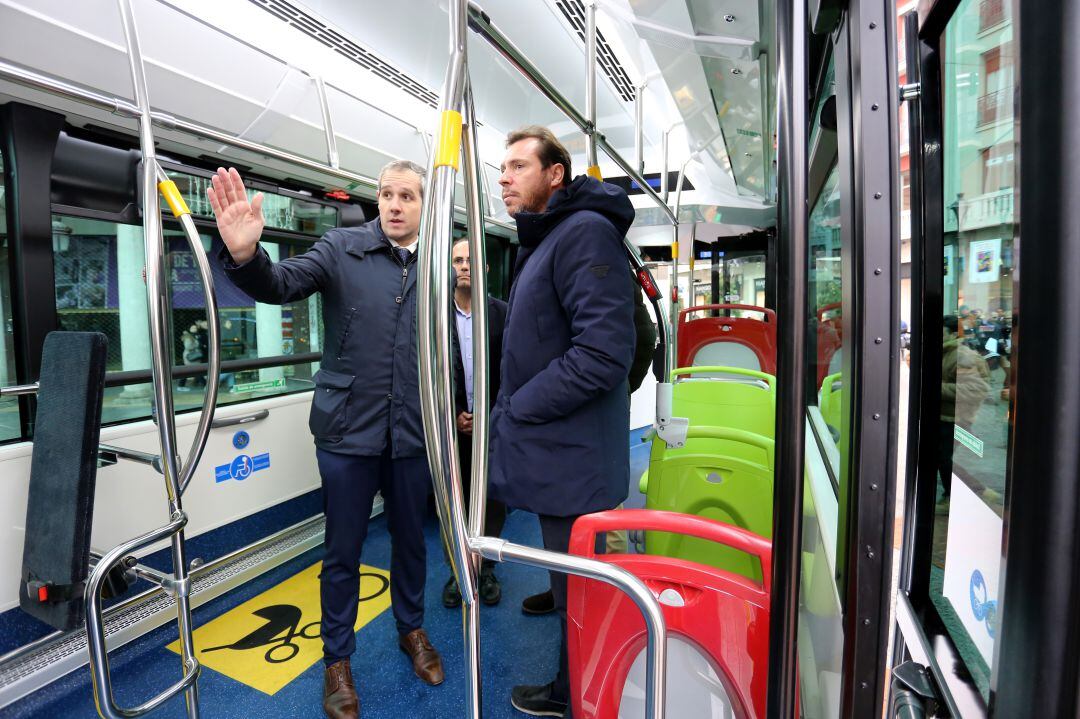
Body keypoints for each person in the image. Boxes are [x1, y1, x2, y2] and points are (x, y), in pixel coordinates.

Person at [207, 161, 443, 719]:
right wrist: (244, 255)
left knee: (412, 541)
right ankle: (337, 659)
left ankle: (412, 630)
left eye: (406, 196)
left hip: (410, 430)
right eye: (385, 193)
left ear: (423, 207)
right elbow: (281, 284)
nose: (393, 204)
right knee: (343, 551)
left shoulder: (435, 265)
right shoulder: (340, 248)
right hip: (347, 432)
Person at [488, 126, 637, 718]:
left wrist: (518, 405)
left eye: (518, 166)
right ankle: (560, 604)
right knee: (568, 571)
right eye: (503, 166)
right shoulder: (548, 238)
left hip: (574, 458)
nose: (504, 176)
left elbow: (602, 354)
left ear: (555, 175)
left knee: (584, 584)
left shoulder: (583, 234)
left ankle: (577, 693)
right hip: (563, 452)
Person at [442, 237, 508, 608]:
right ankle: (459, 569)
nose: (464, 266)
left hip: (493, 426)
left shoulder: (503, 314)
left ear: (484, 269)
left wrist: (490, 414)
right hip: (451, 429)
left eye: (471, 260)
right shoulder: (436, 316)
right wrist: (452, 414)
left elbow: (513, 371)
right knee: (456, 501)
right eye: (457, 260)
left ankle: (486, 570)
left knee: (492, 500)